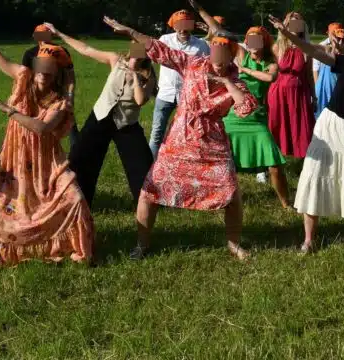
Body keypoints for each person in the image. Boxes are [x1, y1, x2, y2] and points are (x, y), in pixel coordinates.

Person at [102, 16, 258, 261]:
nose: (217, 56)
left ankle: (234, 244)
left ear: (232, 55)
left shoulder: (236, 81)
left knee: (231, 195)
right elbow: (159, 48)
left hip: (212, 144)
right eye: (215, 49)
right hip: (180, 140)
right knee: (149, 192)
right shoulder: (192, 64)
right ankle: (142, 244)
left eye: (223, 51)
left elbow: (246, 107)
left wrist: (227, 82)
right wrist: (130, 31)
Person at [0, 12, 94, 265]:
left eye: (49, 71)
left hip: (45, 165)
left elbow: (41, 128)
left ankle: (73, 250)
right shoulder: (21, 78)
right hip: (12, 160)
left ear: (56, 75)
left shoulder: (59, 103)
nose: (43, 74)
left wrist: (9, 111)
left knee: (76, 200)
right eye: (40, 67)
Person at [269, 16, 344, 253]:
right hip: (330, 126)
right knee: (316, 176)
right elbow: (311, 49)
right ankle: (309, 239)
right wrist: (287, 33)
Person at [45, 23, 157, 208]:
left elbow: (140, 100)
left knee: (142, 165)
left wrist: (135, 74)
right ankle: (78, 202)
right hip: (100, 117)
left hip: (126, 125)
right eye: (134, 45)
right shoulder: (115, 60)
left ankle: (147, 204)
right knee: (81, 158)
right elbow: (86, 49)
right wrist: (59, 33)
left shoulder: (148, 76)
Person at [193, 6, 291, 208]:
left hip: (257, 119)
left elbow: (270, 77)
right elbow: (219, 31)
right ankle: (215, 199)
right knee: (222, 162)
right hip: (233, 117)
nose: (253, 42)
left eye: (258, 39)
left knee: (274, 165)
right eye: (250, 39)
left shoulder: (270, 63)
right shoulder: (241, 53)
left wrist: (244, 69)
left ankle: (285, 202)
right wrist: (200, 9)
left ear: (264, 43)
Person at [148, 10, 210, 159]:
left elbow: (209, 68)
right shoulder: (164, 39)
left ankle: (189, 163)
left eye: (186, 25)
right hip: (165, 94)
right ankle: (149, 166)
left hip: (189, 97)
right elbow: (147, 55)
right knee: (157, 132)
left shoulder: (201, 45)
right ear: (174, 26)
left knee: (191, 132)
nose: (183, 29)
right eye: (179, 25)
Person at [267, 12, 316, 159]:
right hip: (279, 91)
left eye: (298, 23)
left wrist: (314, 95)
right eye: (292, 23)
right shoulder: (277, 47)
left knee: (301, 128)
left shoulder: (307, 48)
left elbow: (309, 75)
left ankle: (304, 160)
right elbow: (271, 71)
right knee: (277, 125)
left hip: (299, 92)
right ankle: (273, 160)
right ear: (286, 26)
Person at [22, 24, 78, 151]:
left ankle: (76, 152)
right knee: (39, 124)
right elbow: (24, 77)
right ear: (35, 37)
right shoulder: (30, 53)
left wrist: (69, 95)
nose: (44, 39)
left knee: (69, 123)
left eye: (46, 35)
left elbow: (70, 76)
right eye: (40, 35)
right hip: (37, 94)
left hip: (59, 93)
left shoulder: (60, 51)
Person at [314, 23, 344, 118]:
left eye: (342, 39)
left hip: (340, 86)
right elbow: (315, 69)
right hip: (324, 86)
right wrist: (317, 89)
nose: (340, 41)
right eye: (337, 38)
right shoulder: (324, 47)